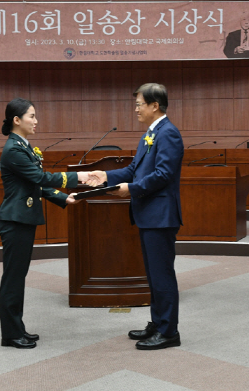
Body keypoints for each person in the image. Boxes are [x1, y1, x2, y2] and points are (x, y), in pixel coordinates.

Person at [87, 83, 184, 350]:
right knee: (153, 275)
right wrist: (105, 176)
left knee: (162, 275)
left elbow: (163, 175)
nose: (136, 109)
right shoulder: (150, 134)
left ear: (155, 105)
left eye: (140, 104)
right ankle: (158, 323)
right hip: (148, 215)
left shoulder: (169, 134)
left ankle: (168, 332)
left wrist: (130, 190)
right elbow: (133, 169)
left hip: (161, 216)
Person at [0, 98, 89, 349]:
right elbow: (40, 177)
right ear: (17, 120)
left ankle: (17, 329)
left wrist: (61, 197)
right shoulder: (13, 149)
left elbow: (34, 185)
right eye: (32, 116)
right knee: (13, 278)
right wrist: (77, 176)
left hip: (22, 220)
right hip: (14, 220)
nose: (36, 121)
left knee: (18, 276)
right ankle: (11, 334)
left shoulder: (22, 146)